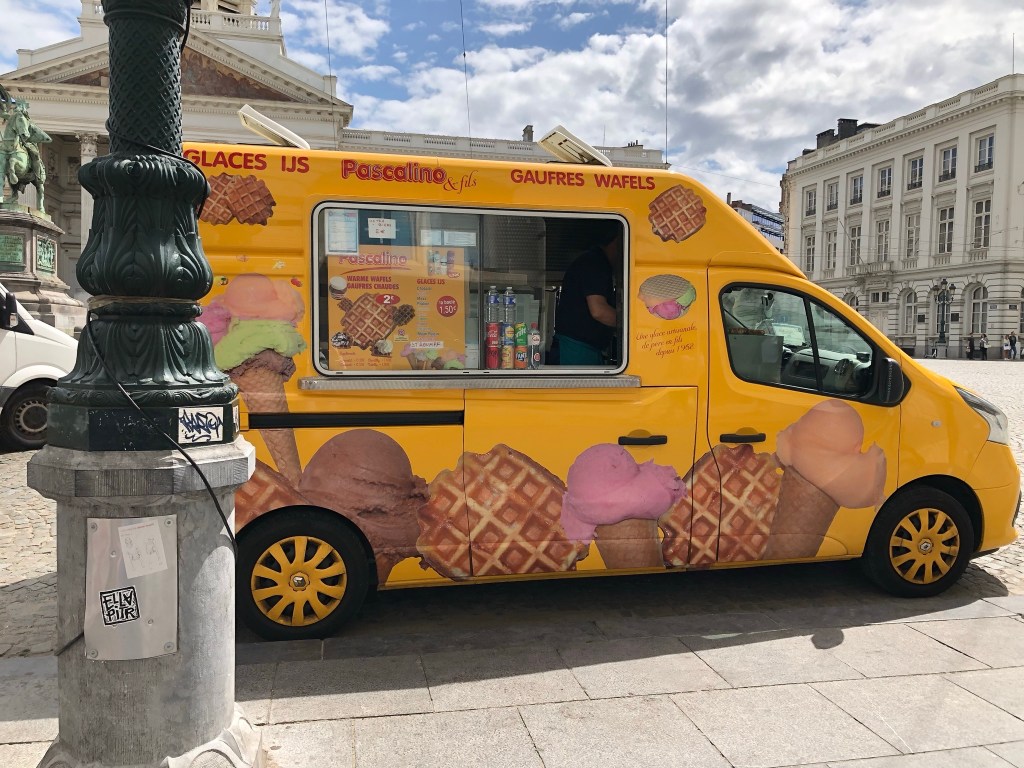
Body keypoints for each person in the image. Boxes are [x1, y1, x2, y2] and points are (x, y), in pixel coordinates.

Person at [554, 220, 622, 365]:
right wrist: (631, 326)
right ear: (618, 242)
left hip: (583, 348)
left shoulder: (595, 262)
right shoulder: (595, 264)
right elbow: (599, 311)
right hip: (577, 349)